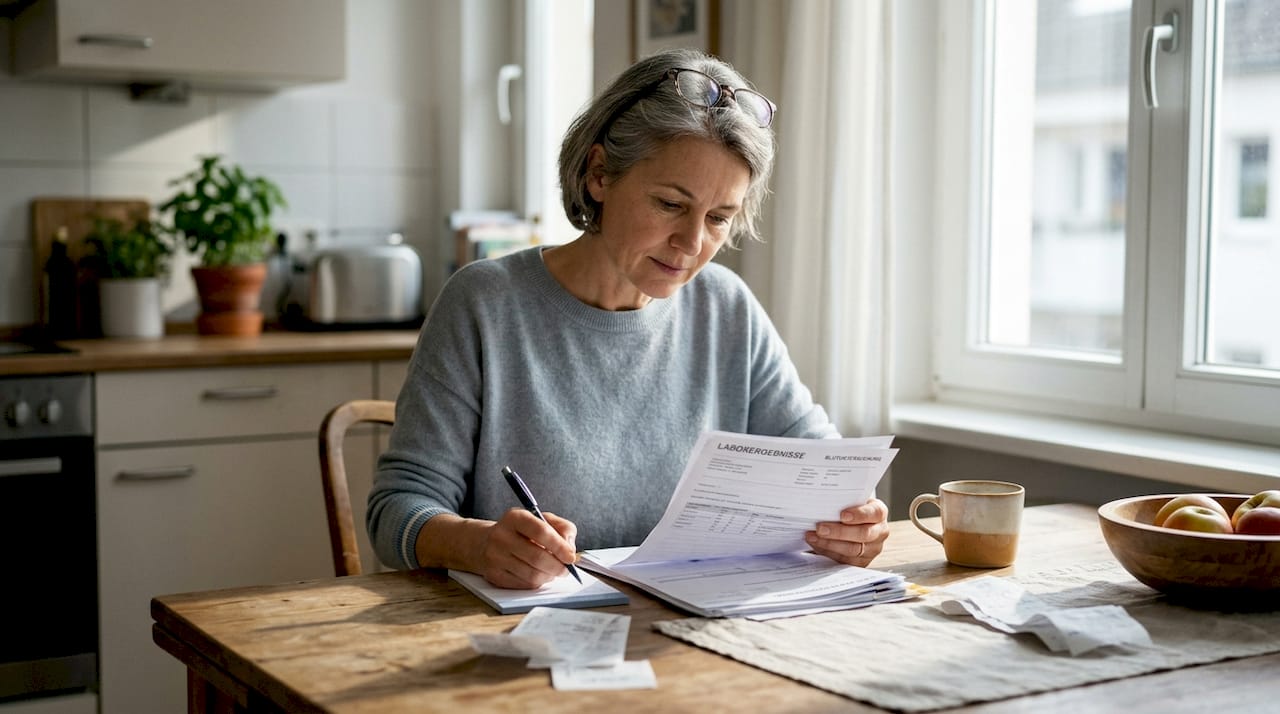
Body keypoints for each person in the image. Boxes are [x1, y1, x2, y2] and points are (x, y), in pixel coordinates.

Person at [368, 48, 889, 589]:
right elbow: (397, 509)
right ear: (599, 175)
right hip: (527, 639)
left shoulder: (725, 306)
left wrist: (856, 521)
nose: (692, 243)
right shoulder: (485, 304)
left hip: (690, 633)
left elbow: (825, 465)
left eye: (718, 218)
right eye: (669, 204)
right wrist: (478, 545)